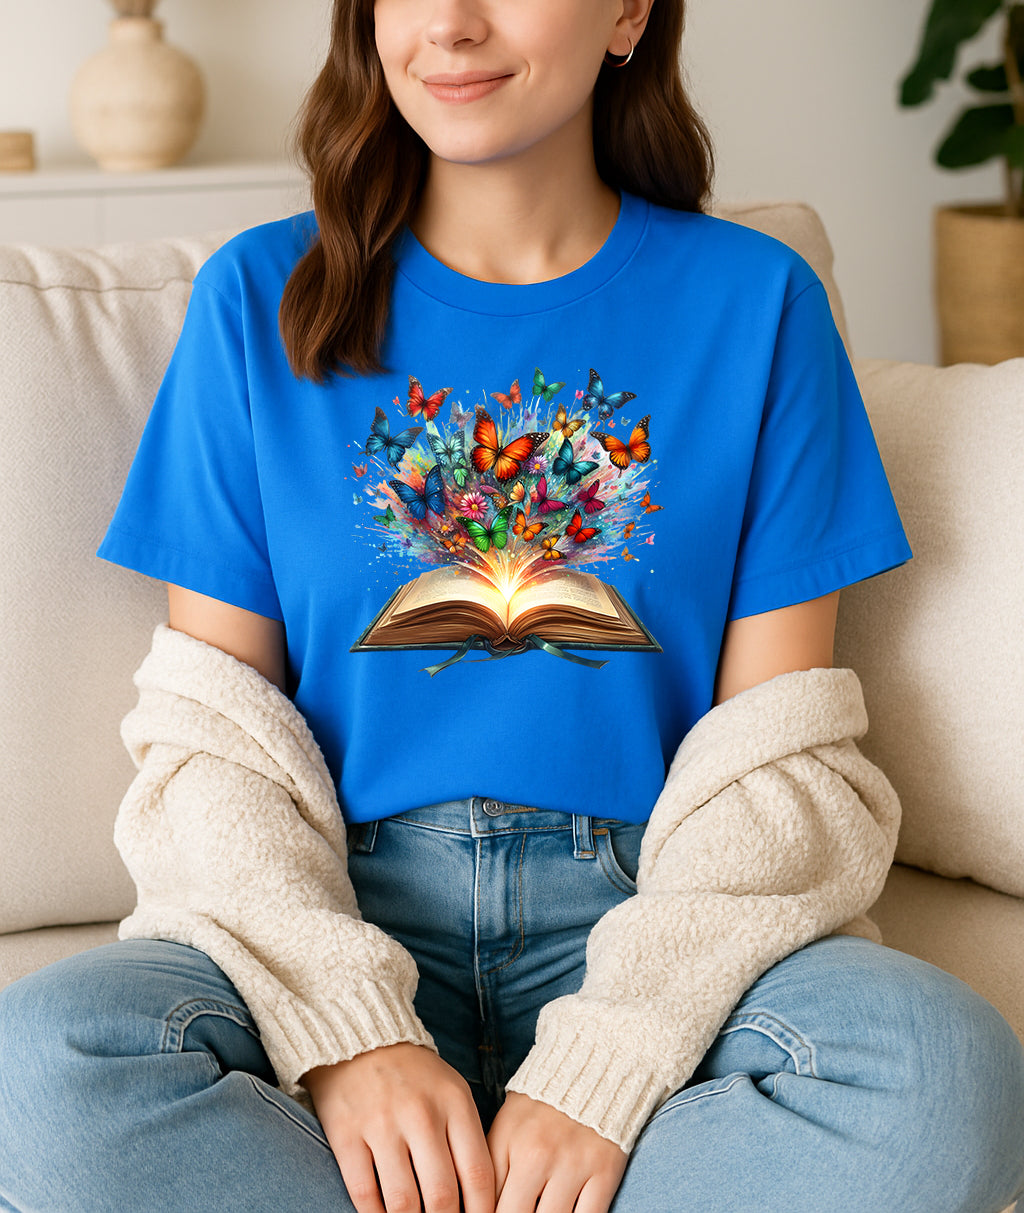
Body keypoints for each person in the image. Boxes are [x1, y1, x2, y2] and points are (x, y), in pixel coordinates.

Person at [2, 1, 1024, 1211]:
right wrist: (346, 1028)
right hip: (336, 894)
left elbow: (777, 753)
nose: (451, 24)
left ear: (629, 12)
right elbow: (213, 735)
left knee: (940, 1070)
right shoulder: (255, 300)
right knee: (42, 1069)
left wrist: (619, 1051)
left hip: (661, 906)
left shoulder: (757, 305)